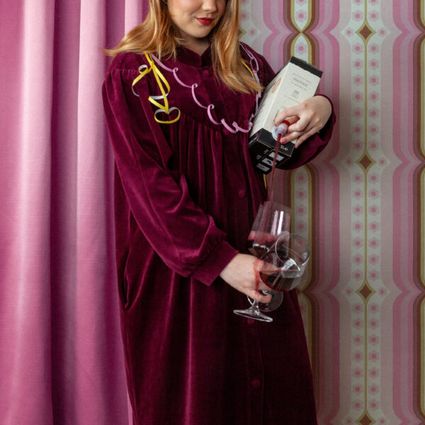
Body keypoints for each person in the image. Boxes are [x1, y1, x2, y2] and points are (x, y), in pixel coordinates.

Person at [102, 0, 335, 424]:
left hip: (257, 257)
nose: (211, 6)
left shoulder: (248, 67)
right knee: (194, 403)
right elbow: (151, 190)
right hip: (178, 273)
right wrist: (223, 262)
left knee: (273, 397)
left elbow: (281, 153)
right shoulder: (134, 74)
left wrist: (320, 110)